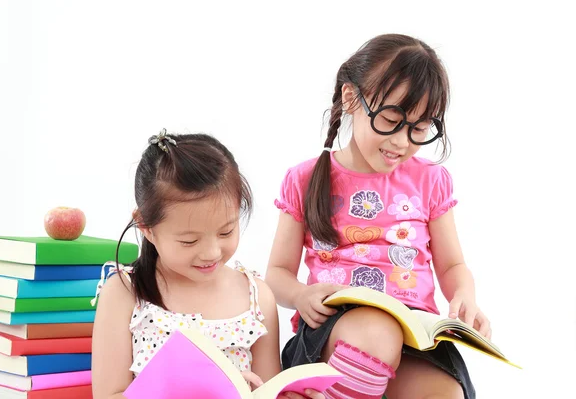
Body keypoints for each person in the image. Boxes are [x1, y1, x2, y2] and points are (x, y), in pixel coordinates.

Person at [266, 34, 489, 399]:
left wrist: (465, 295)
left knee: (444, 392)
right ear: (351, 99)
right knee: (377, 334)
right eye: (391, 120)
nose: (402, 142)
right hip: (337, 328)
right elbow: (276, 273)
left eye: (418, 128)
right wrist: (301, 295)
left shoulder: (430, 181)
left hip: (414, 332)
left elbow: (452, 266)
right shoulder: (304, 179)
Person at [92, 129, 324, 399]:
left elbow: (266, 390)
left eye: (226, 232)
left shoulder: (256, 297)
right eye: (189, 241)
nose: (211, 252)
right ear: (146, 226)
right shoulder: (124, 293)